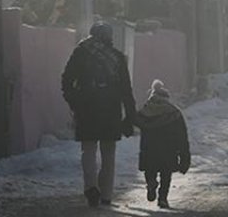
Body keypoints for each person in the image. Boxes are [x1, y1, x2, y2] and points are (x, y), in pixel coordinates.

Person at [61, 21, 138, 208]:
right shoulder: (117, 58)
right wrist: (130, 116)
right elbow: (126, 90)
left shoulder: (81, 53)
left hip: (86, 110)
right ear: (109, 37)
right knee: (108, 153)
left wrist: (75, 102)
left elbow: (66, 80)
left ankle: (90, 189)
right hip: (110, 111)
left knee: (88, 150)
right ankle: (106, 195)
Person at [136, 80, 191, 209]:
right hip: (168, 151)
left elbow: (134, 121)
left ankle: (151, 183)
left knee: (150, 170)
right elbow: (182, 137)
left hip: (148, 150)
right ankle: (163, 198)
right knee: (166, 175)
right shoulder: (174, 113)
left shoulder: (145, 111)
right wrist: (184, 158)